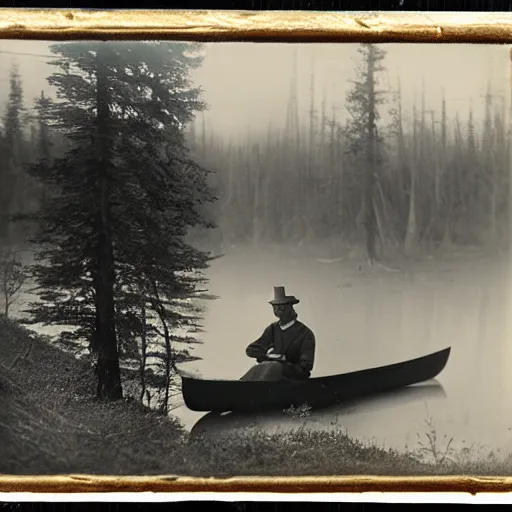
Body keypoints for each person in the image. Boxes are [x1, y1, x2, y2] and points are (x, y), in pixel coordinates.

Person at [240, 286, 316, 382]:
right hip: (272, 370)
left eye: (281, 306)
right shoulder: (272, 329)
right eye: (275, 307)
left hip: (294, 374)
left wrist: (284, 358)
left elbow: (306, 366)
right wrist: (268, 356)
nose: (278, 309)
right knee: (257, 369)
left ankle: (258, 389)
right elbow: (251, 350)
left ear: (290, 308)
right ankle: (239, 387)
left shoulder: (305, 333)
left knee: (273, 367)